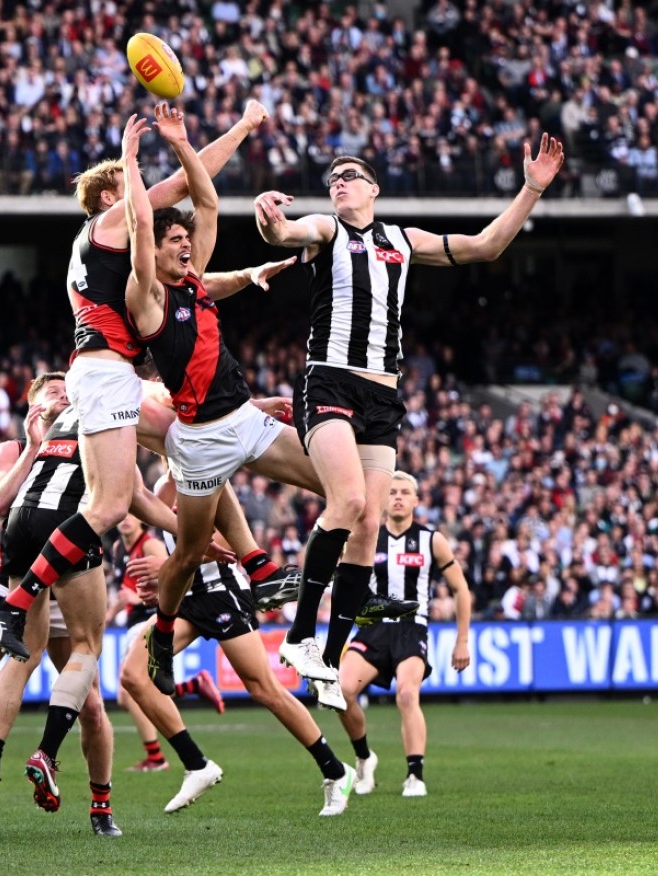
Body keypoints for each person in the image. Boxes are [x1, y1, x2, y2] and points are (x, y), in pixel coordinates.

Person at [0, 100, 299, 661]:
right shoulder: (109, 224)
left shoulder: (104, 252)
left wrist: (246, 274)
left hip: (113, 375)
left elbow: (196, 269)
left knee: (188, 445)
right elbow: (183, 186)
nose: (146, 189)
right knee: (106, 507)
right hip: (104, 374)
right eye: (133, 184)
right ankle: (15, 600)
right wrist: (237, 130)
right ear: (113, 197)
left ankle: (257, 563)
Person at [118, 104, 414, 697]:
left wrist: (184, 144)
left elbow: (206, 207)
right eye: (174, 242)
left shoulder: (196, 283)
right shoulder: (147, 295)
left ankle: (346, 596)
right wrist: (130, 163)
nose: (185, 246)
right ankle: (165, 634)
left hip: (247, 421)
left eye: (185, 242)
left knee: (349, 496)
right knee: (190, 553)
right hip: (199, 441)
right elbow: (142, 228)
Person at [254, 134, 565, 698]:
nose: (339, 182)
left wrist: (531, 189)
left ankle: (326, 659)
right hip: (330, 381)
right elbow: (285, 232)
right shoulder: (328, 229)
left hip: (383, 396)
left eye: (349, 175)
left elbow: (486, 246)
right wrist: (269, 220)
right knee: (346, 503)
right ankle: (299, 635)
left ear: (373, 187)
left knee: (368, 525)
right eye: (332, 179)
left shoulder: (401, 239)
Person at [0, 373, 185, 836]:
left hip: (69, 578)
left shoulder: (98, 432)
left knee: (93, 706)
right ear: (33, 404)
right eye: (52, 393)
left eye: (67, 391)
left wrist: (185, 531)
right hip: (15, 573)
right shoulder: (10, 449)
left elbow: (135, 496)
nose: (62, 396)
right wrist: (30, 444)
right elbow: (0, 502)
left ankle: (101, 810)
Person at [118, 471, 356, 817]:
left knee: (264, 689)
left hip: (222, 595)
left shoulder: (208, 470)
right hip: (185, 599)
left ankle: (336, 771)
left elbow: (230, 546)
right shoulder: (159, 487)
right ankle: (197, 765)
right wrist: (165, 580)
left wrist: (166, 567)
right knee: (133, 675)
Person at [334, 471, 472, 797]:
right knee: (341, 691)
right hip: (373, 627)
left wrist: (462, 639)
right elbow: (345, 585)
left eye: (404, 492)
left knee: (408, 695)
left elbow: (461, 589)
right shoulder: (365, 536)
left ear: (416, 500)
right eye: (392, 491)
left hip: (412, 627)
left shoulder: (431, 540)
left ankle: (415, 775)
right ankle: (365, 758)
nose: (397, 497)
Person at [108, 513, 223, 773]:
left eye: (132, 515)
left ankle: (156, 757)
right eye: (122, 515)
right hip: (131, 622)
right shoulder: (117, 548)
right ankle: (193, 686)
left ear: (142, 521)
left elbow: (175, 576)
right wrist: (109, 614)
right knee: (131, 695)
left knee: (129, 692)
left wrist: (139, 600)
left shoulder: (149, 544)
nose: (126, 520)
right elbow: (126, 591)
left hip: (150, 619)